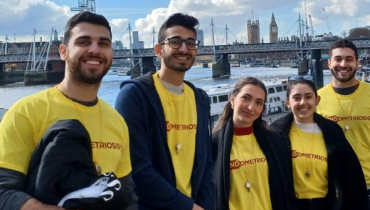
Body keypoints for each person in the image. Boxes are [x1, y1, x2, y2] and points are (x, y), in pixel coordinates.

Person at [0, 11, 135, 210]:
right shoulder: (26, 111)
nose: (95, 50)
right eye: (83, 41)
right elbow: (4, 192)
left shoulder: (116, 121)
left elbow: (126, 196)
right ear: (63, 51)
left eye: (103, 43)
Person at [115, 13, 215, 210]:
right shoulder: (134, 96)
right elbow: (138, 170)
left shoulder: (200, 99)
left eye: (191, 43)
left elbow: (205, 164)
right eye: (175, 42)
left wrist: (206, 205)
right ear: (159, 50)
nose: (184, 49)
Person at [269, 77, 368, 209]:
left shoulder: (333, 131)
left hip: (326, 205)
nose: (303, 102)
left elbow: (350, 175)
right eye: (297, 98)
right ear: (288, 102)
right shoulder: (275, 133)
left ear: (317, 100)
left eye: (308, 97)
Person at [212, 77, 297, 210]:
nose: (251, 107)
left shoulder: (277, 143)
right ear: (232, 100)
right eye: (246, 98)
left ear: (262, 109)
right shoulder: (212, 145)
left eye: (258, 103)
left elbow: (286, 189)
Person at [316, 39, 370, 206]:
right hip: (333, 187)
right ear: (329, 62)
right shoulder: (316, 99)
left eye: (349, 59)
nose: (343, 64)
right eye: (338, 59)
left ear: (357, 63)